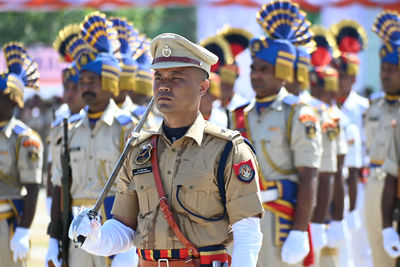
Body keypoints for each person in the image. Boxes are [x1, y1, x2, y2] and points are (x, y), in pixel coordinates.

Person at [68, 32, 264, 267]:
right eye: (159, 76)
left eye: (176, 77)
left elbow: (248, 233)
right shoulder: (138, 150)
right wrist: (95, 238)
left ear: (203, 87)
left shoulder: (228, 150)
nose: (164, 85)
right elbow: (125, 227)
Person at [231, 2, 321, 266]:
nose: (256, 76)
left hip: (281, 221)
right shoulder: (239, 114)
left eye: (264, 70)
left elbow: (309, 175)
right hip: (242, 221)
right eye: (254, 69)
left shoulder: (298, 113)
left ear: (281, 74)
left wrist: (300, 230)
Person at [45, 12, 136, 267]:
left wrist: (130, 244)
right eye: (82, 81)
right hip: (76, 228)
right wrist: (54, 238)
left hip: (114, 228)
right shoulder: (68, 128)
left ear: (109, 83)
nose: (86, 87)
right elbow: (59, 187)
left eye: (93, 81)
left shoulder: (126, 127)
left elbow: (138, 188)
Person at [331, 19, 373, 267]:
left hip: (359, 182)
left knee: (362, 245)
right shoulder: (324, 107)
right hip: (332, 182)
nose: (341, 80)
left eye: (346, 76)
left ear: (354, 78)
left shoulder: (364, 108)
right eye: (338, 74)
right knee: (337, 248)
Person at [0, 42, 42, 267]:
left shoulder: (25, 138)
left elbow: (33, 188)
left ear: (14, 101)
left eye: (2, 97)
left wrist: (23, 230)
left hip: (7, 223)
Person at [371, 10, 400, 266]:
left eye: (393, 69)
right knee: (376, 255)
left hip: (395, 186)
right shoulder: (374, 106)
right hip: (373, 185)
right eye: (383, 68)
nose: (386, 74)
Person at [46, 24, 86, 215]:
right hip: (64, 200)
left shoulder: (93, 121)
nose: (68, 95)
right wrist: (49, 199)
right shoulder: (60, 117)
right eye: (66, 88)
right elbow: (52, 164)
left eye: (75, 89)